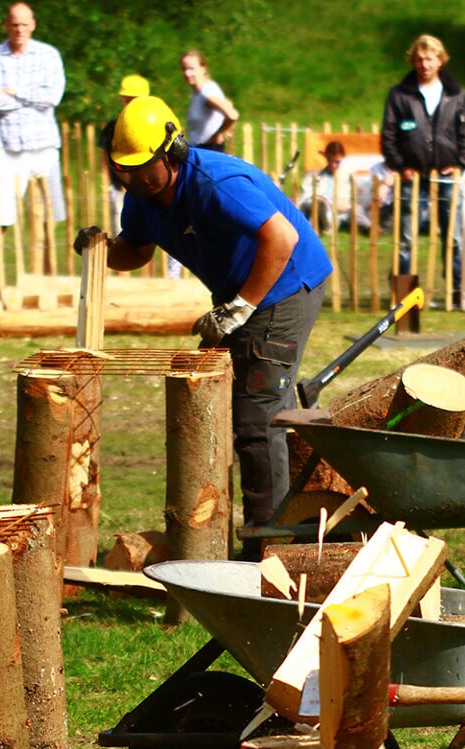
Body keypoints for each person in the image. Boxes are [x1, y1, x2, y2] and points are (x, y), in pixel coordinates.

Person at [75, 96, 330, 549]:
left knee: (258, 418)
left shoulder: (216, 183)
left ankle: (267, 551)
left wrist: (239, 308)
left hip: (286, 283)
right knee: (211, 407)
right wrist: (100, 247)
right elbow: (135, 251)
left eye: (142, 167)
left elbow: (282, 238)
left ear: (171, 152)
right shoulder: (142, 199)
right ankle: (212, 542)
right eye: (124, 169)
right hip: (241, 294)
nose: (132, 178)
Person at [0, 1, 66, 301]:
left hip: (42, 143)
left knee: (45, 216)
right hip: (4, 143)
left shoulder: (49, 55)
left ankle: (46, 281)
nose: (19, 29)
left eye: (24, 24)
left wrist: (14, 93)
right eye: (14, 24)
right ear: (6, 24)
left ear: (33, 24)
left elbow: (52, 97)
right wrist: (30, 98)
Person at [381, 34, 465, 307]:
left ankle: (456, 293)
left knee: (452, 235)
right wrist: (401, 165)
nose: (424, 64)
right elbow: (389, 134)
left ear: (440, 60)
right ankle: (404, 296)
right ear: (413, 61)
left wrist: (460, 162)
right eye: (420, 59)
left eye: (430, 58)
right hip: (413, 174)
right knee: (406, 236)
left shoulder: (456, 94)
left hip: (445, 174)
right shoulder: (400, 94)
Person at [99, 75, 151, 229]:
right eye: (127, 98)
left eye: (134, 99)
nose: (130, 103)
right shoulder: (113, 127)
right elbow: (104, 157)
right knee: (121, 230)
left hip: (149, 189)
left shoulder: (152, 124)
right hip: (119, 188)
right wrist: (107, 183)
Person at [181, 50, 238, 153]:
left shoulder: (206, 92)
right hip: (198, 149)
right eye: (184, 69)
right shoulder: (196, 92)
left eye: (191, 69)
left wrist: (219, 134)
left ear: (203, 69)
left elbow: (232, 114)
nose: (187, 73)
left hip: (208, 151)